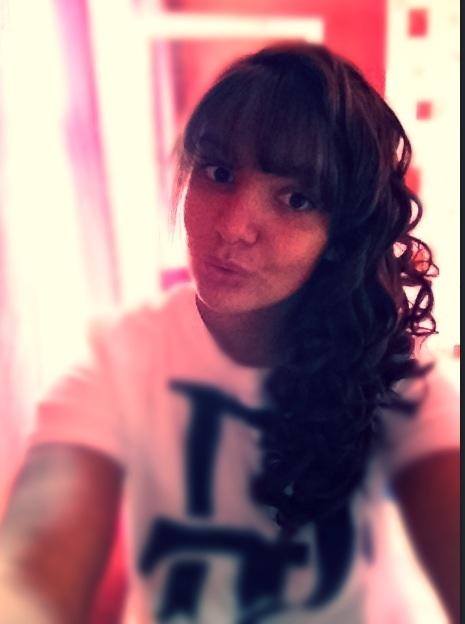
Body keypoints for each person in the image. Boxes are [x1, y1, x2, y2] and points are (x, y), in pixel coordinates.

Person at [0, 42, 459, 624]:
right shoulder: (121, 358)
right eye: (219, 172)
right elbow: (35, 568)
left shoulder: (397, 378)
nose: (235, 226)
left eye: (295, 199)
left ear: (339, 235)